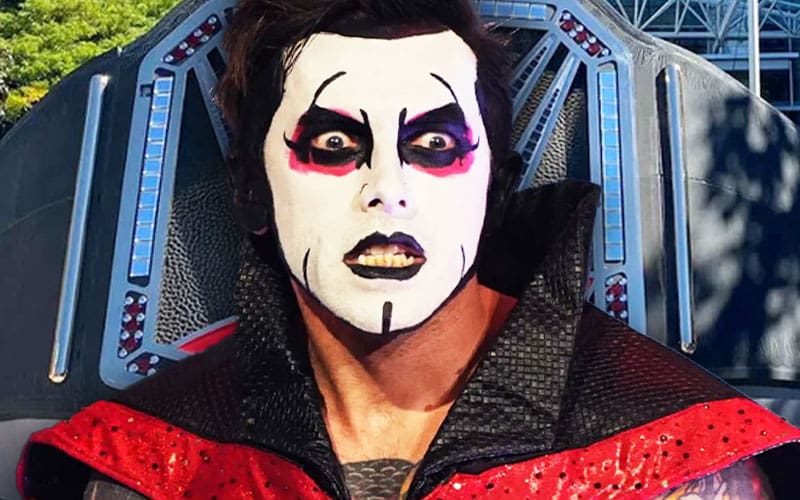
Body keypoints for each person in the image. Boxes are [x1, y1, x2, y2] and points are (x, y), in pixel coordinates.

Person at [18, 0, 800, 498]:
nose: (386, 191)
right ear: (251, 191)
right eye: (333, 145)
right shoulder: (153, 462)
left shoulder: (672, 457)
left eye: (433, 145)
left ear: (496, 189)